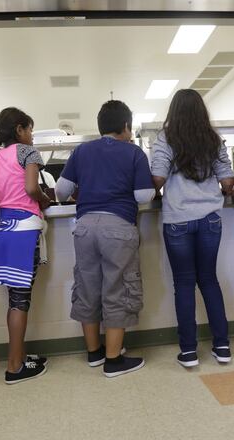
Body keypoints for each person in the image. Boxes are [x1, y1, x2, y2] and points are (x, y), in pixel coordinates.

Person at [55, 100, 155, 377]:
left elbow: (61, 192)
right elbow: (143, 196)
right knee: (117, 289)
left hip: (84, 227)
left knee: (87, 288)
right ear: (126, 126)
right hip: (118, 226)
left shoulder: (81, 151)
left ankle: (94, 353)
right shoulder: (134, 153)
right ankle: (114, 360)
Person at [151, 89, 234, 368]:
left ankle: (188, 351)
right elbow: (228, 182)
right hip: (210, 218)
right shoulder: (212, 139)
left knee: (184, 284)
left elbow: (157, 179)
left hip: (178, 220)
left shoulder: (165, 138)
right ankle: (222, 346)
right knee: (209, 280)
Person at [0, 107, 52, 384]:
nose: (31, 135)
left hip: (4, 232)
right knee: (21, 302)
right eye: (30, 129)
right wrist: (43, 199)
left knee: (15, 299)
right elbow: (32, 189)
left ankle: (18, 356)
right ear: (19, 129)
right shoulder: (27, 152)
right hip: (24, 232)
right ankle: (14, 366)